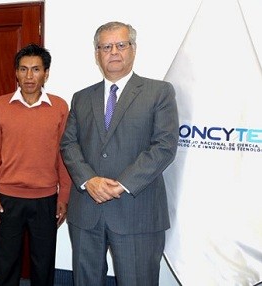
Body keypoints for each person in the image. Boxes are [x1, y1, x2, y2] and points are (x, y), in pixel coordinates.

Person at [60, 21, 179, 286]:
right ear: (97, 54)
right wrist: (89, 180)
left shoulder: (158, 92)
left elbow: (164, 146)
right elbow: (69, 144)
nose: (113, 51)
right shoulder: (81, 97)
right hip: (86, 211)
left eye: (120, 45)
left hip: (137, 212)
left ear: (133, 49)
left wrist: (122, 184)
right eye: (106, 46)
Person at [0, 43, 71, 286]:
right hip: (7, 199)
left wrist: (64, 195)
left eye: (35, 69)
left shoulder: (60, 107)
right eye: (23, 70)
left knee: (42, 265)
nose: (29, 76)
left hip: (45, 200)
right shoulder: (0, 105)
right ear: (16, 73)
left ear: (46, 73)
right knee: (6, 263)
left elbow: (65, 155)